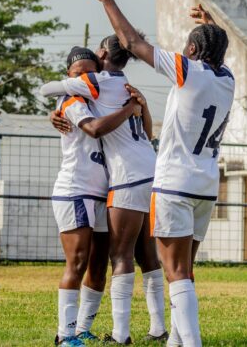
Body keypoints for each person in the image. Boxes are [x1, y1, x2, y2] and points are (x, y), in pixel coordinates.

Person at [91, 0, 234, 347]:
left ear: (191, 49)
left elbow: (132, 43)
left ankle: (192, 343)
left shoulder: (187, 70)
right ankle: (174, 341)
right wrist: (211, 25)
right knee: (184, 271)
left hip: (174, 183)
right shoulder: (227, 80)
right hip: (206, 183)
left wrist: (107, 1)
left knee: (177, 273)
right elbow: (218, 51)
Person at [44, 35, 166, 345]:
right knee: (80, 260)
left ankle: (84, 327)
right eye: (76, 73)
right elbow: (92, 127)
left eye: (89, 69)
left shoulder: (103, 92)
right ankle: (65, 334)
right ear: (69, 76)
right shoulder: (72, 99)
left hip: (108, 188)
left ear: (99, 65)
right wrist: (131, 109)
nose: (83, 76)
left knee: (100, 263)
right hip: (77, 188)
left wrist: (139, 106)